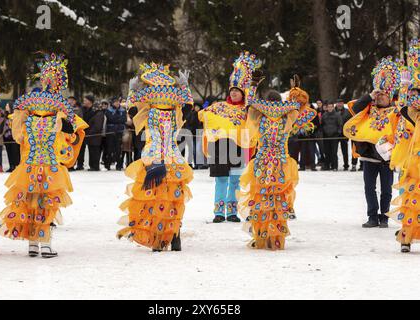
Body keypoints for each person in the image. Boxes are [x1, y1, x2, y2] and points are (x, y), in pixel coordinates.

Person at [0, 53, 88, 258]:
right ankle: (44, 244)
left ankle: (33, 244)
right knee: (46, 204)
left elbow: (18, 135)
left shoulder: (29, 120)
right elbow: (73, 132)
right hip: (50, 168)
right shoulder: (59, 116)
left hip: (29, 168)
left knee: (29, 201)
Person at [117, 63, 194, 252]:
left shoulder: (168, 111)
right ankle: (164, 236)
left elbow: (188, 107)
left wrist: (185, 87)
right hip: (161, 158)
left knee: (167, 199)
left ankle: (170, 236)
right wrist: (132, 91)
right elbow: (132, 110)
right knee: (163, 199)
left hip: (165, 158)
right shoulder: (155, 110)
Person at [239, 74, 316, 250]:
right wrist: (296, 90)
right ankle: (277, 236)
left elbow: (248, 104)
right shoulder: (287, 117)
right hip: (281, 162)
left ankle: (260, 234)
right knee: (279, 199)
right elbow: (305, 109)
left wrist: (252, 85)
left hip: (263, 162)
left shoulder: (259, 116)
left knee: (260, 197)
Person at [199, 52, 260, 223]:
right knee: (221, 179)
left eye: (237, 91)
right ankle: (219, 212)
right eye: (232, 90)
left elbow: (255, 116)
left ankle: (232, 212)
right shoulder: (218, 107)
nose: (233, 93)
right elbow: (202, 116)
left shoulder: (247, 110)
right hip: (220, 147)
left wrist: (253, 86)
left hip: (239, 147)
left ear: (243, 93)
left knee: (235, 180)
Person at [344, 56, 401, 229]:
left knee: (386, 190)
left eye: (384, 95)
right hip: (369, 156)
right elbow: (354, 108)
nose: (380, 97)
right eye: (379, 94)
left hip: (387, 157)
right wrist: (370, 95)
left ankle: (383, 217)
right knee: (369, 188)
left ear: (390, 96)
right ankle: (372, 216)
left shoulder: (396, 110)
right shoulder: (369, 108)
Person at [381, 39, 420, 253]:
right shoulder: (413, 115)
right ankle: (406, 238)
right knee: (410, 201)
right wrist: (406, 87)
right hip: (411, 163)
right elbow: (404, 109)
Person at [77, 95, 104, 171]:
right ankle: (85, 165)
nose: (84, 102)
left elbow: (98, 124)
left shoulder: (97, 111)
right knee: (86, 149)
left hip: (94, 134)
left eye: (85, 100)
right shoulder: (83, 110)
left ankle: (95, 166)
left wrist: (90, 132)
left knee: (94, 150)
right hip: (86, 133)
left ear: (90, 101)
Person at [104, 97, 127, 170]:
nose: (117, 103)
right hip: (110, 132)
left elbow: (124, 119)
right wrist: (117, 119)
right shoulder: (108, 110)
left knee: (118, 149)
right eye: (115, 102)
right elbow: (110, 119)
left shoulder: (123, 110)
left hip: (119, 132)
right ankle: (107, 164)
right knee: (109, 148)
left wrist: (116, 119)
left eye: (118, 102)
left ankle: (119, 165)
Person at [321, 102, 343, 171]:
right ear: (327, 108)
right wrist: (323, 132)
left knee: (334, 152)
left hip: (334, 136)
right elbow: (322, 124)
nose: (330, 108)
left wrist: (338, 132)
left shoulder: (337, 115)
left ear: (333, 107)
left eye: (331, 107)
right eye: (328, 107)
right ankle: (327, 165)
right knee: (327, 151)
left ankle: (334, 166)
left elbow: (340, 125)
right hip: (326, 136)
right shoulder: (324, 115)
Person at [3, 103, 21, 173]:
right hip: (7, 137)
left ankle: (16, 166)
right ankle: (11, 166)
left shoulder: (17, 116)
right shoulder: (6, 116)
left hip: (14, 138)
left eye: (8, 106)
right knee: (9, 153)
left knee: (15, 153)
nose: (7, 107)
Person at [336, 99, 352, 171]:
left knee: (345, 151)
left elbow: (350, 122)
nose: (339, 104)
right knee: (334, 151)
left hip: (344, 134)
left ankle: (346, 165)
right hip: (335, 134)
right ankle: (334, 165)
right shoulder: (333, 111)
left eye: (341, 103)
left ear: (343, 103)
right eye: (338, 103)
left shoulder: (347, 112)